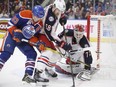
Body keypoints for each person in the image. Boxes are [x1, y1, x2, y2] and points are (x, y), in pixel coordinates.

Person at [0, 5, 46, 83]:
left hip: (23, 40)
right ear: (33, 13)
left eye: (39, 17)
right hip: (12, 36)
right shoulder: (24, 14)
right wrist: (15, 32)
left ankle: (28, 75)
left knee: (32, 54)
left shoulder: (39, 24)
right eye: (36, 16)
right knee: (6, 54)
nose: (37, 19)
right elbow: (10, 24)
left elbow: (32, 36)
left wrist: (37, 43)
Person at [30, 0, 72, 82]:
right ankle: (38, 73)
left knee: (58, 54)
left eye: (61, 11)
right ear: (54, 7)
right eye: (58, 11)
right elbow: (50, 34)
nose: (59, 12)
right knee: (47, 52)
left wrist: (62, 17)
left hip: (46, 35)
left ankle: (47, 68)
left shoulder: (54, 8)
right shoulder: (49, 18)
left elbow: (60, 13)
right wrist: (61, 43)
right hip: (41, 34)